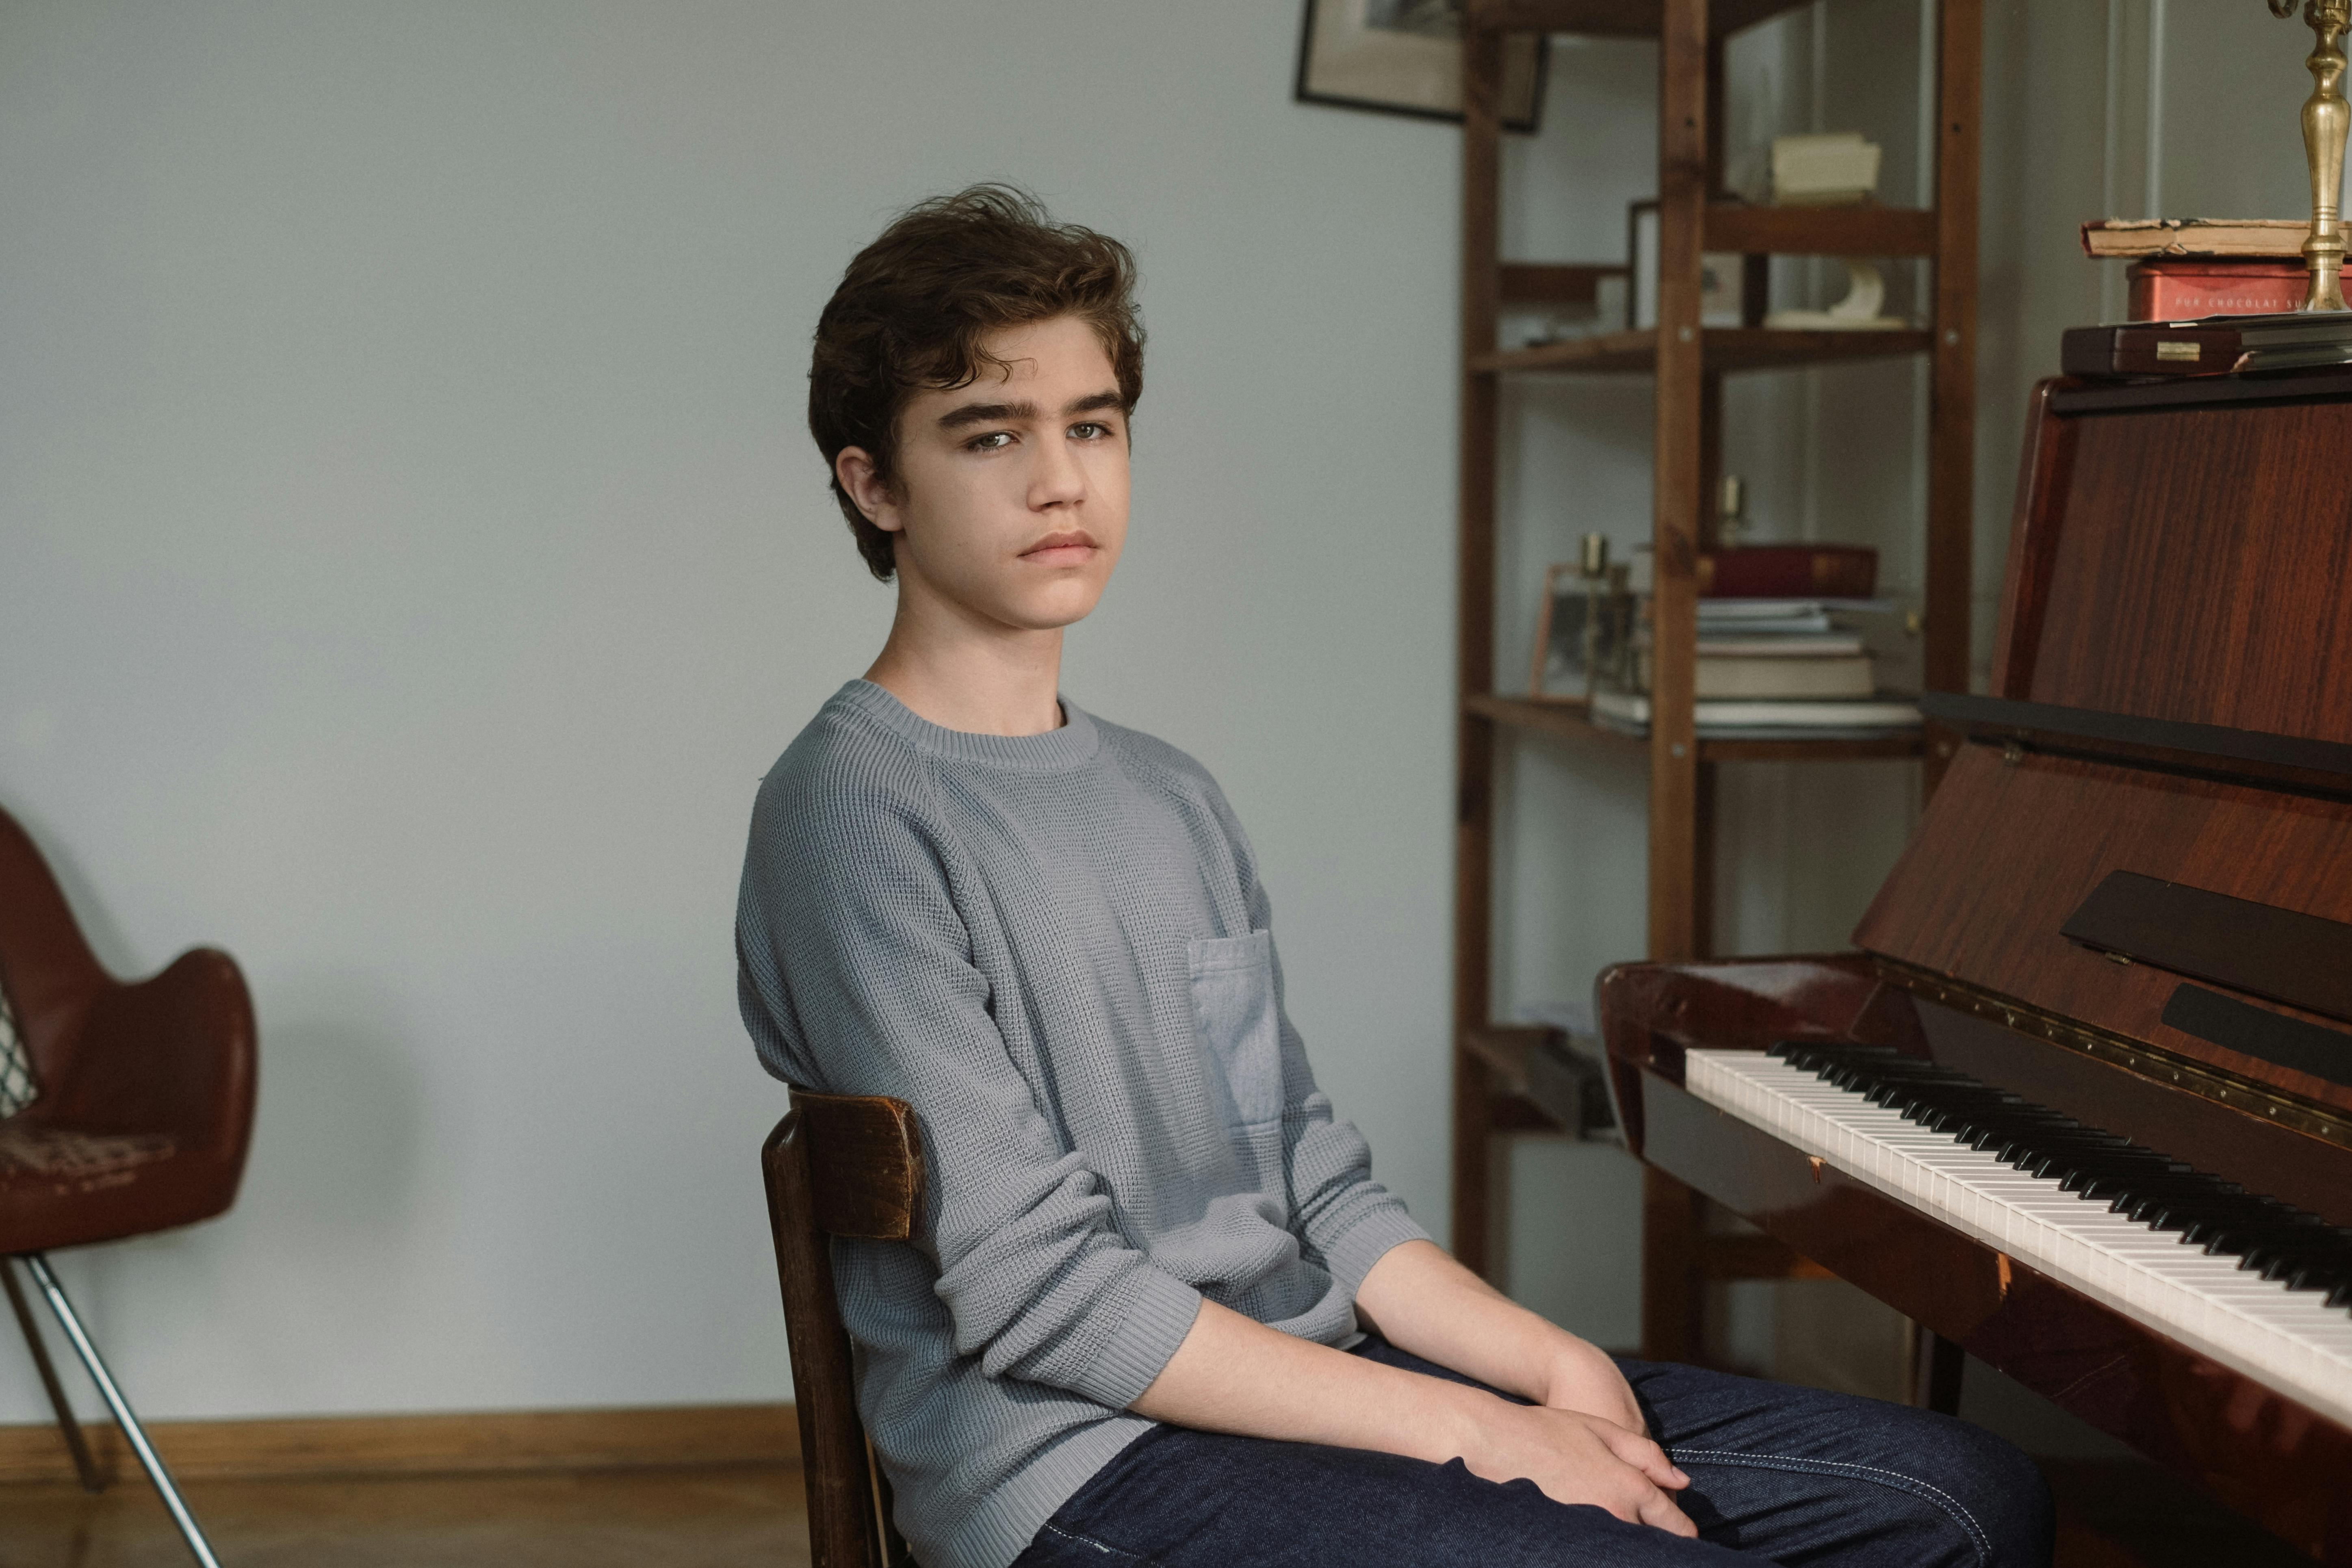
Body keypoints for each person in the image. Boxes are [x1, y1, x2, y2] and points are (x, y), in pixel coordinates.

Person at [735, 185, 2052, 1568]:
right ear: (871, 481)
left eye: (1093, 425)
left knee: (1969, 1500)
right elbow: (1046, 1295)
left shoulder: (1172, 794)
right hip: (1079, 1464)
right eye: (989, 434)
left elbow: (1312, 1175)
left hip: (1315, 1381)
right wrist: (1484, 1437)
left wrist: (1551, 1371)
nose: (1060, 479)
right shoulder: (848, 811)